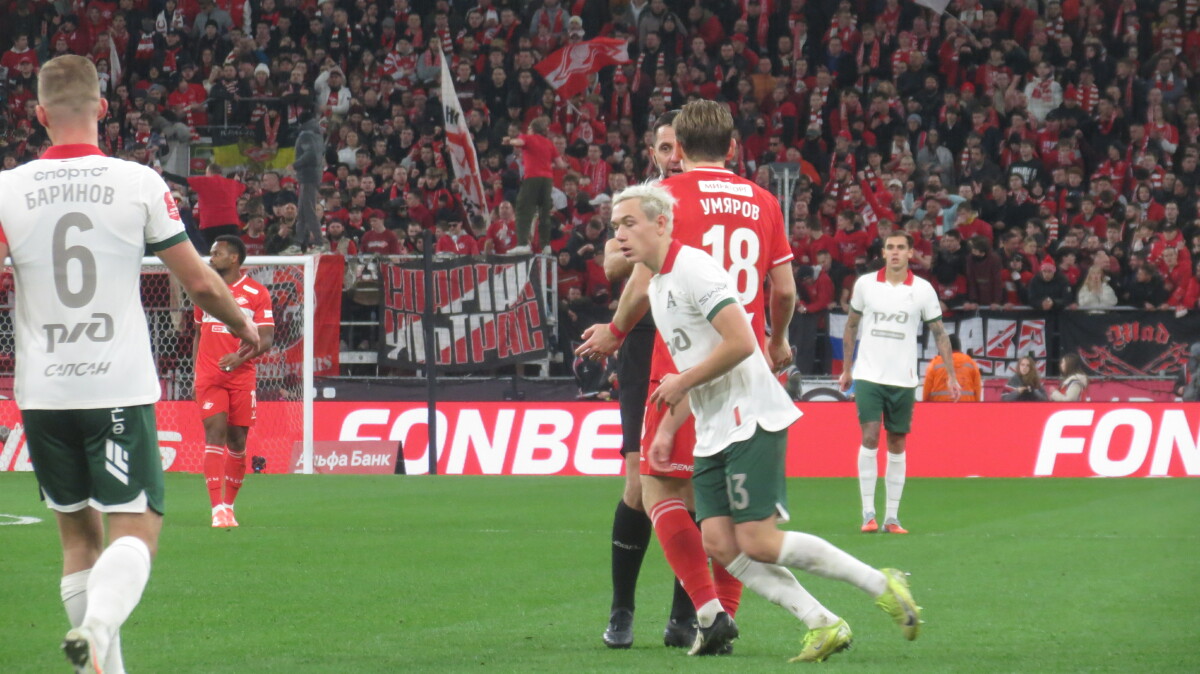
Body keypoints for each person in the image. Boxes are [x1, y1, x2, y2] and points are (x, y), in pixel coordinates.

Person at [0, 55, 258, 673]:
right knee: (136, 531)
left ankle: (101, 658)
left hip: (43, 393)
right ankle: (97, 624)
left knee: (77, 541)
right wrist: (243, 324)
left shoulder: (7, 189)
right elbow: (200, 282)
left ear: (39, 115)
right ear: (103, 108)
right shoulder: (137, 182)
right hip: (116, 385)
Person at [612, 182, 922, 662]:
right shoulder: (658, 286)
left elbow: (741, 343)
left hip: (751, 414)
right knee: (719, 541)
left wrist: (680, 383)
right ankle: (822, 622)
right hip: (713, 426)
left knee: (757, 540)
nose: (619, 235)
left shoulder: (694, 268)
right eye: (616, 226)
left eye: (629, 223)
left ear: (661, 223)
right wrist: (669, 429)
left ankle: (882, 584)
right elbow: (695, 365)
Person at [580, 100, 797, 654]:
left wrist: (615, 328)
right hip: (730, 357)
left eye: (670, 145)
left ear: (679, 149)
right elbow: (785, 291)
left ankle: (698, 612)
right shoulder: (761, 200)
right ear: (732, 147)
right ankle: (679, 613)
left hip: (678, 360)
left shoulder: (667, 200)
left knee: (668, 487)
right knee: (689, 494)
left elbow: (634, 276)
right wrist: (777, 340)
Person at [596, 110, 699, 650]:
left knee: (694, 486)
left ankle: (685, 614)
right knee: (638, 484)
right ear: (653, 153)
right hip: (643, 340)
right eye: (663, 147)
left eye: (679, 146)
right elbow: (613, 264)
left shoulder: (710, 201)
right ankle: (622, 610)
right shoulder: (641, 200)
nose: (672, 155)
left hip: (698, 343)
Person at [841, 230, 960, 534]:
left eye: (900, 248)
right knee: (870, 436)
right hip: (869, 375)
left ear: (910, 253)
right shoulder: (865, 285)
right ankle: (868, 513)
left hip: (903, 378)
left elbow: (939, 332)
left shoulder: (922, 290)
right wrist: (847, 369)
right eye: (890, 247)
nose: (894, 252)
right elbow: (851, 325)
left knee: (897, 441)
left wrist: (951, 374)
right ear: (883, 253)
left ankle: (891, 517)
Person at [194, 235, 276, 528]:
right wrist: (196, 372)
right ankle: (216, 508)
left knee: (237, 440)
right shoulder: (205, 290)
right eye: (211, 252)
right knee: (214, 433)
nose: (211, 257)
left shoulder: (256, 293)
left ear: (234, 258)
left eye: (217, 253)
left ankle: (229, 505)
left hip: (241, 376)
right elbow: (198, 332)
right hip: (210, 375)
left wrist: (239, 359)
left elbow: (266, 339)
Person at [503, 116, 566, 254]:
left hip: (532, 178)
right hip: (547, 180)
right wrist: (547, 165)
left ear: (532, 129)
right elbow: (561, 165)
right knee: (544, 212)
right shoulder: (549, 143)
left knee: (523, 209)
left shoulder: (528, 138)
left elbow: (519, 142)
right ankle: (545, 245)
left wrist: (510, 140)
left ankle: (523, 244)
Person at [163, 161, 247, 250]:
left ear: (208, 172)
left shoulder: (204, 181)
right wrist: (238, 180)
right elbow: (243, 187)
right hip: (231, 224)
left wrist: (163, 173)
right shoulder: (232, 184)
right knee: (232, 250)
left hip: (210, 224)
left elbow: (182, 180)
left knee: (211, 251)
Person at [922, 334, 982, 401]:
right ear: (959, 347)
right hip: (966, 406)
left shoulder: (935, 363)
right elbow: (977, 389)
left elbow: (927, 390)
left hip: (940, 406)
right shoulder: (971, 363)